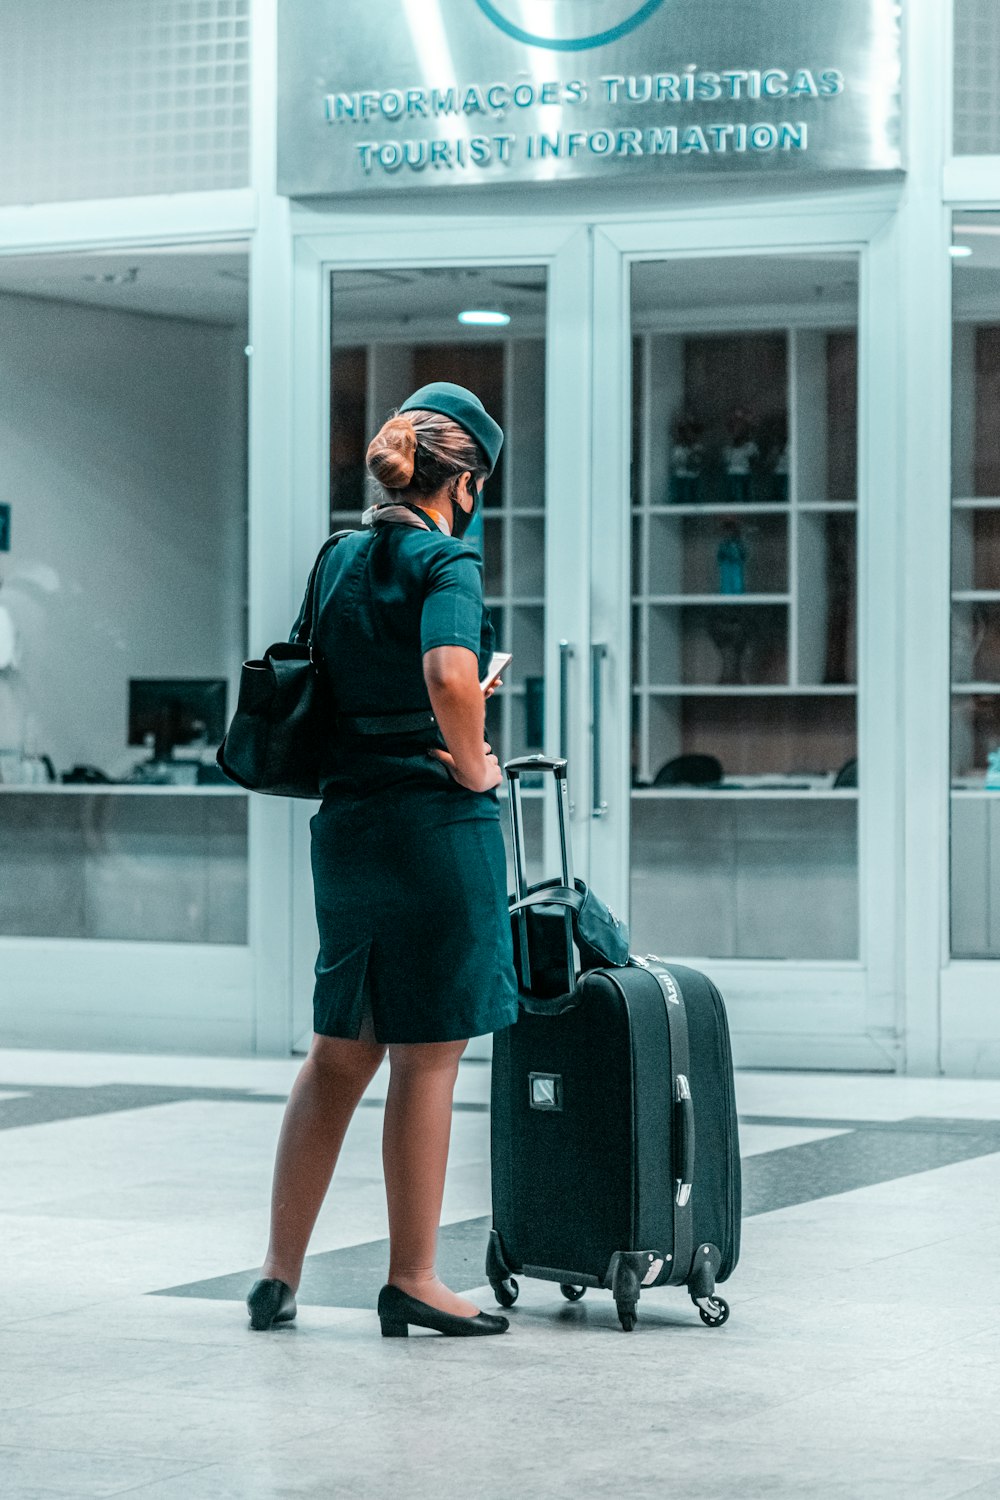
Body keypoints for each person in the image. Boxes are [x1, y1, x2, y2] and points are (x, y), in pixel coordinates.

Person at [246, 382, 518, 1339]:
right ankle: (413, 1278)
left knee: (338, 1052)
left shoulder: (337, 557)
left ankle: (279, 1273)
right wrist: (479, 763)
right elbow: (446, 675)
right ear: (468, 480)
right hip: (433, 830)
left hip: (350, 823)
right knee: (430, 1056)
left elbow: (335, 677)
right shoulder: (446, 561)